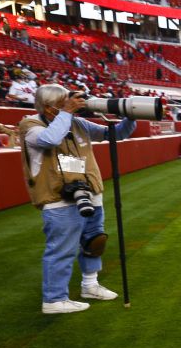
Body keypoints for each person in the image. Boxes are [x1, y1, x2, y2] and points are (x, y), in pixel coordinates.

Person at [18, 85, 135, 314]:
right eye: (65, 102)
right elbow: (50, 140)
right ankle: (54, 300)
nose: (73, 105)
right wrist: (67, 112)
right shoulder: (30, 125)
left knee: (94, 242)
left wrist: (129, 115)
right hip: (58, 198)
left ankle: (90, 285)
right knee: (62, 249)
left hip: (89, 191)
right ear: (50, 106)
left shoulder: (76, 123)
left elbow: (116, 133)